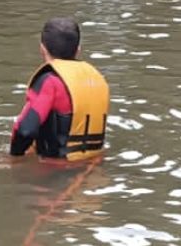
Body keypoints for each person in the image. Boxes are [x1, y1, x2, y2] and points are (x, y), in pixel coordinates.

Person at [10, 18, 110, 162]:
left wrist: (13, 158)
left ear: (42, 49)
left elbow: (25, 131)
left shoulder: (50, 82)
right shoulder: (98, 79)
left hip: (53, 168)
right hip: (93, 165)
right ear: (78, 50)